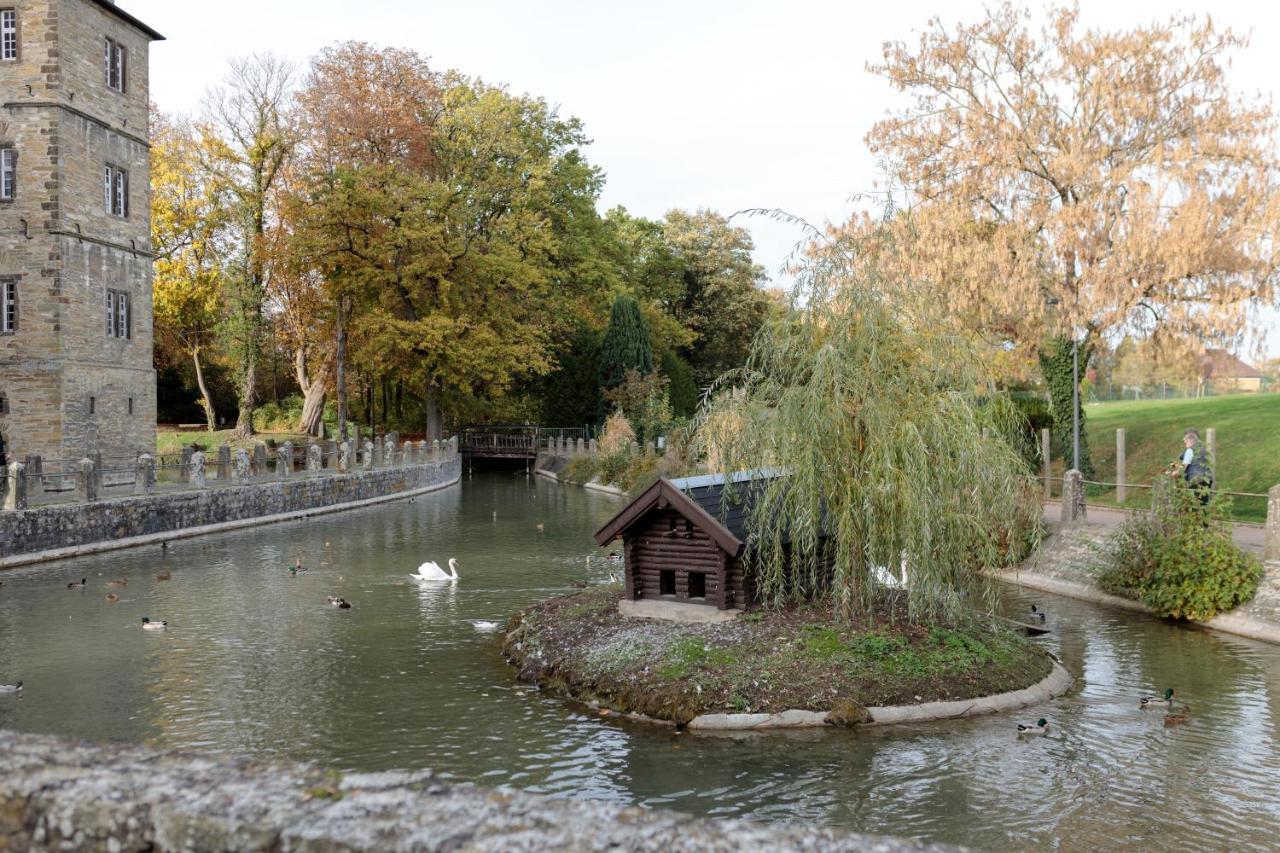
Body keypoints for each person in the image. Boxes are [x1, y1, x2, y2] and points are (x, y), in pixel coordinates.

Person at [1178, 428, 1213, 503]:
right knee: (1203, 503)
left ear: (1191, 440)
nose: (1184, 442)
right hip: (1207, 479)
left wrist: (1175, 473)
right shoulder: (1204, 450)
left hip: (1195, 479)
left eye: (1185, 440)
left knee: (1194, 503)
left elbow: (1184, 466)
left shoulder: (1190, 450)